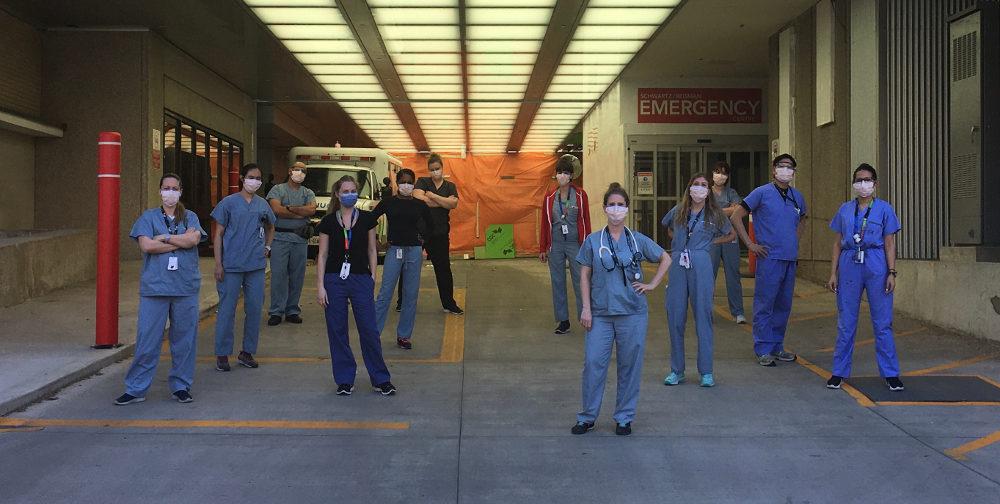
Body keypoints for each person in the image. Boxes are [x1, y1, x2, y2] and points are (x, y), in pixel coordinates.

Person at [571, 183, 671, 437]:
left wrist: (652, 284)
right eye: (612, 204)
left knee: (630, 365)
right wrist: (586, 308)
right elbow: (584, 275)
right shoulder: (594, 241)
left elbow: (665, 258)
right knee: (593, 363)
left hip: (632, 314)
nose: (616, 209)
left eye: (620, 204)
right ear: (605, 208)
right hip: (600, 314)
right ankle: (588, 416)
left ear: (627, 208)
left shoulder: (637, 240)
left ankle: (624, 418)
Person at [114, 173, 207, 405]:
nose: (170, 192)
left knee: (184, 341)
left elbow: (193, 241)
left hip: (185, 288)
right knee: (147, 340)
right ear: (159, 191)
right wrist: (179, 241)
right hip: (155, 289)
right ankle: (136, 388)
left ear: (181, 191)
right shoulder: (148, 217)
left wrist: (164, 237)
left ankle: (181, 386)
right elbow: (147, 246)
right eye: (166, 188)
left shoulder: (191, 217)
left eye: (175, 188)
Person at [825, 164, 904, 391]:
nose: (863, 184)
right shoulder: (845, 210)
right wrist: (833, 273)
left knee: (882, 321)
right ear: (853, 183)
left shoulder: (885, 209)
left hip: (876, 262)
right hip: (850, 263)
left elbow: (890, 242)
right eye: (859, 180)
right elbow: (838, 242)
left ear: (875, 183)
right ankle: (839, 371)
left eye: (867, 180)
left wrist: (891, 272)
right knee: (846, 321)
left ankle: (890, 373)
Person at [316, 175, 396, 396]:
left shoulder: (368, 219)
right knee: (337, 330)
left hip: (361, 278)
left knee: (369, 329)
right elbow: (322, 255)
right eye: (345, 191)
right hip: (334, 280)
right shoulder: (329, 222)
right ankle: (344, 379)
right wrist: (320, 286)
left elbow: (372, 249)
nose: (349, 194)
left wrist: (373, 277)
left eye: (353, 190)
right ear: (337, 194)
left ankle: (380, 378)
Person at [729, 154, 808, 367]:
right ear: (774, 170)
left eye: (790, 167)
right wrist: (750, 245)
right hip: (769, 258)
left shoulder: (796, 196)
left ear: (794, 172)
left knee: (784, 305)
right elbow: (736, 216)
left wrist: (794, 240)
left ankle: (777, 346)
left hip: (789, 258)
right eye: (781, 166)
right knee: (765, 304)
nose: (785, 170)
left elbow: (803, 219)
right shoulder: (761, 193)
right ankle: (763, 348)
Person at [661, 174, 737, 388]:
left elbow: (731, 234)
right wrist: (678, 242)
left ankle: (706, 371)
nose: (700, 188)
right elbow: (667, 227)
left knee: (703, 315)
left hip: (701, 261)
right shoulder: (678, 211)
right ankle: (677, 370)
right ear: (689, 187)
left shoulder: (715, 214)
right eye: (696, 184)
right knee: (675, 315)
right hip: (678, 262)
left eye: (704, 185)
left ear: (708, 191)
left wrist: (711, 242)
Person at [211, 163, 276, 372]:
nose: (255, 181)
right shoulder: (228, 203)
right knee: (227, 310)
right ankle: (222, 354)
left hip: (255, 265)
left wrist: (267, 246)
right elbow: (218, 234)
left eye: (258, 178)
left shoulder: (262, 204)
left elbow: (271, 226)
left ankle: (247, 352)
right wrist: (218, 263)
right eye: (251, 177)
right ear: (242, 178)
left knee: (255, 309)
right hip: (230, 265)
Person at [371, 168, 432, 350]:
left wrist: (423, 242)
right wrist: (376, 240)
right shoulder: (388, 203)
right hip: (394, 249)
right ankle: (374, 334)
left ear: (413, 184)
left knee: (410, 295)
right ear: (397, 183)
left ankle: (404, 335)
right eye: (403, 181)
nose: (407, 185)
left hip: (414, 250)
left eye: (410, 182)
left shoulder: (420, 205)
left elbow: (431, 225)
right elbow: (371, 218)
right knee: (385, 292)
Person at [540, 155, 592, 334]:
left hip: (575, 243)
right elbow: (544, 224)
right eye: (559, 172)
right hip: (555, 244)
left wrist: (587, 246)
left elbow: (585, 220)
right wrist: (543, 248)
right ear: (556, 175)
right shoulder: (549, 198)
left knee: (581, 279)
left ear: (571, 176)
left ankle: (585, 316)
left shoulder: (579, 195)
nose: (562, 175)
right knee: (558, 281)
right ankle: (563, 321)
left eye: (566, 173)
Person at [266, 161, 317, 326]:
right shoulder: (278, 189)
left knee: (297, 276)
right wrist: (299, 213)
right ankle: (276, 311)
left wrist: (289, 209)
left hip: (300, 240)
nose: (300, 173)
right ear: (289, 171)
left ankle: (292, 310)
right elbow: (276, 210)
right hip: (280, 239)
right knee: (278, 276)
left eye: (303, 171)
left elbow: (312, 210)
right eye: (297, 169)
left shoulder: (308, 192)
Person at [413, 153, 464, 315]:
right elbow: (418, 197)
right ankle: (403, 301)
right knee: (410, 267)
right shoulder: (422, 181)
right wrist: (443, 202)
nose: (435, 172)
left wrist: (433, 196)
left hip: (440, 233)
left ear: (442, 168)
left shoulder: (450, 185)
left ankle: (449, 303)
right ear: (428, 170)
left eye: (437, 169)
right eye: (432, 169)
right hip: (420, 233)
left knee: (443, 269)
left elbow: (453, 204)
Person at [709, 161, 747, 324]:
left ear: (727, 176)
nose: (720, 175)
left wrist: (716, 210)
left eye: (724, 173)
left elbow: (737, 211)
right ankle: (705, 311)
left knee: (733, 274)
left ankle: (738, 312)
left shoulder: (731, 192)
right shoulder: (706, 192)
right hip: (711, 238)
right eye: (717, 172)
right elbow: (705, 211)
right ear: (712, 173)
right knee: (709, 275)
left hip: (730, 237)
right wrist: (727, 210)